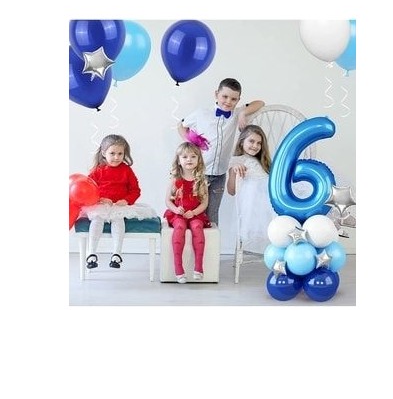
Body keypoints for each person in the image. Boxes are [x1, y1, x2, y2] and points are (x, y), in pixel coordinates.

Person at [178, 77, 265, 225]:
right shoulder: (201, 113)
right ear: (216, 94)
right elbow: (181, 125)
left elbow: (260, 103)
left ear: (238, 100)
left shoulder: (236, 113)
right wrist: (191, 141)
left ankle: (211, 240)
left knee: (212, 217)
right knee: (192, 214)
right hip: (198, 173)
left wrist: (243, 113)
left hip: (219, 176)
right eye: (225, 96)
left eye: (233, 99)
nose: (228, 102)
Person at [81, 134, 157, 270]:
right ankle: (91, 253)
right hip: (101, 205)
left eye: (120, 154)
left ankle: (116, 254)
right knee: (97, 219)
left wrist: (126, 200)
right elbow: (89, 189)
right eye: (112, 153)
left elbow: (135, 190)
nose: (116, 157)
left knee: (118, 219)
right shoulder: (97, 170)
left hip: (119, 206)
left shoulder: (126, 170)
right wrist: (99, 199)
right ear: (104, 153)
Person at [164, 142, 211, 283]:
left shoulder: (201, 181)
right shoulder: (175, 179)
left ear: (198, 160)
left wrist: (194, 212)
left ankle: (198, 268)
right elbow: (167, 200)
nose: (189, 159)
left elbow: (204, 203)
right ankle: (178, 269)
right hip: (178, 214)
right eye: (185, 157)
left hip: (195, 214)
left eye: (193, 156)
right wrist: (176, 209)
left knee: (197, 227)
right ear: (179, 161)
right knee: (179, 227)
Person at [227, 124, 276, 254]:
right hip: (253, 204)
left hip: (269, 199)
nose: (255, 146)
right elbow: (231, 191)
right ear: (242, 142)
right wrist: (234, 170)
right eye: (251, 141)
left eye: (259, 143)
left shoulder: (263, 162)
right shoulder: (236, 161)